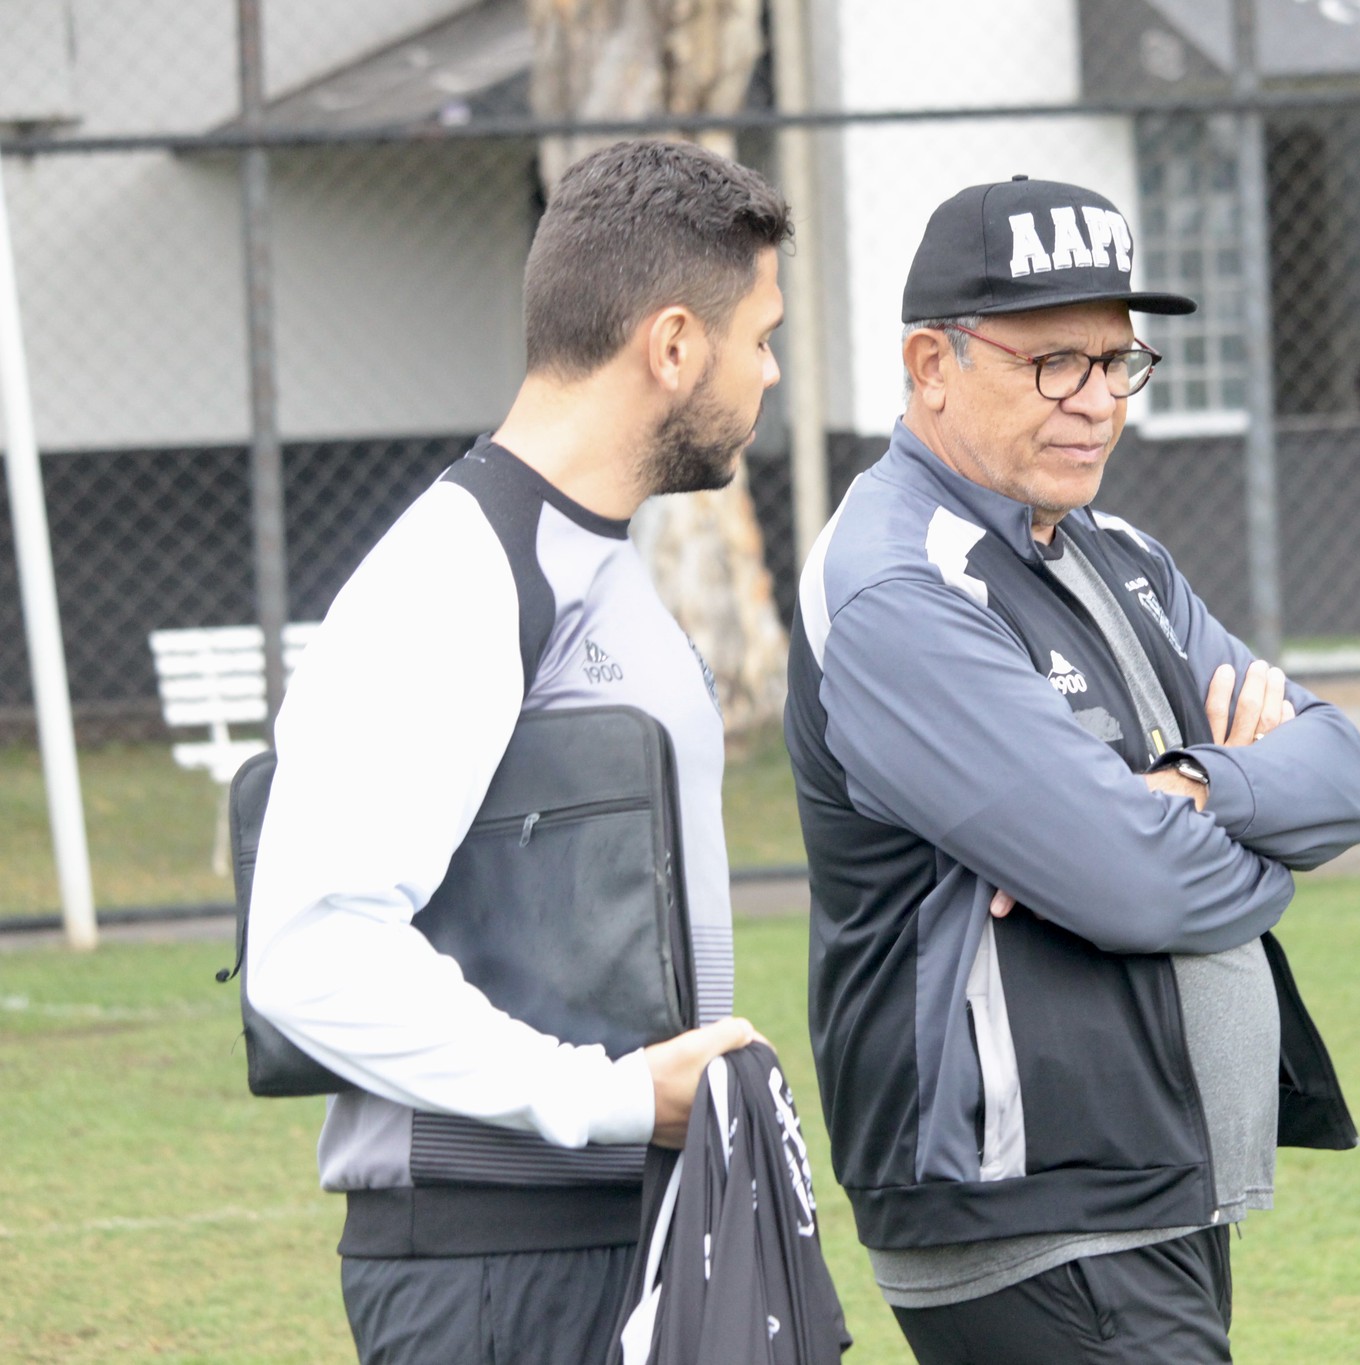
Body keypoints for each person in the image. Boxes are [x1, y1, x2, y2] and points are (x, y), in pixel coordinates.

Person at [785, 175, 1360, 1363]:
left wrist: (1199, 792)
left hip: (1139, 1185)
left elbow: (1344, 774)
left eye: (1117, 362)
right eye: (1053, 361)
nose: (1097, 401)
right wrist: (1245, 855)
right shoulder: (898, 586)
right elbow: (1134, 885)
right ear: (929, 364)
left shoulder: (1118, 555)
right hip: (1027, 1205)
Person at [245, 139, 788, 1364]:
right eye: (759, 337)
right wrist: (608, 1098)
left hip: (621, 1229)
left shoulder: (602, 555)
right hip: (497, 1268)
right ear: (671, 347)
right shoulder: (457, 574)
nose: (769, 375)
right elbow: (309, 952)